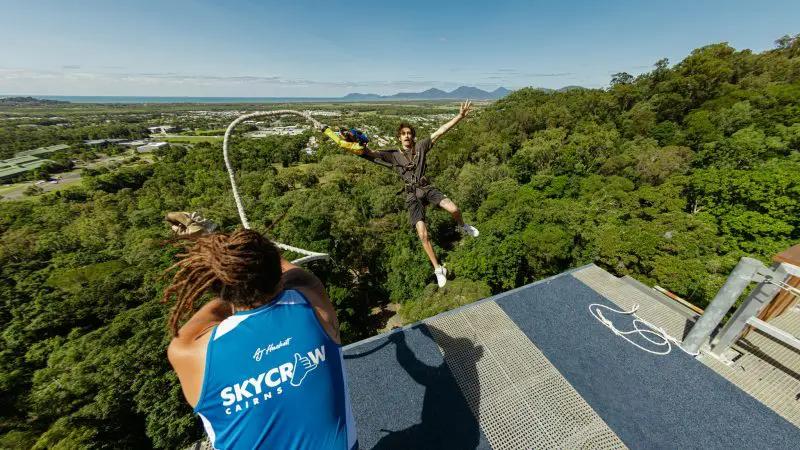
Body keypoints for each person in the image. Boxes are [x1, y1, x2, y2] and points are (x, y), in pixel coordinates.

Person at [162, 216, 357, 450]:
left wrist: (212, 248)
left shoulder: (189, 351)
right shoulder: (312, 305)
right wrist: (214, 237)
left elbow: (210, 315)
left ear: (220, 288)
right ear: (277, 278)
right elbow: (292, 273)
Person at [321, 101, 479, 288]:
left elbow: (441, 131)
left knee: (454, 208)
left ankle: (463, 225)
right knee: (422, 234)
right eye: (403, 134)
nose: (407, 136)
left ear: (413, 137)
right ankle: (438, 269)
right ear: (399, 138)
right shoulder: (393, 155)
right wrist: (354, 142)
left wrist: (459, 116)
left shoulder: (421, 147)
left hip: (426, 188)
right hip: (412, 195)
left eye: (409, 133)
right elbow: (370, 153)